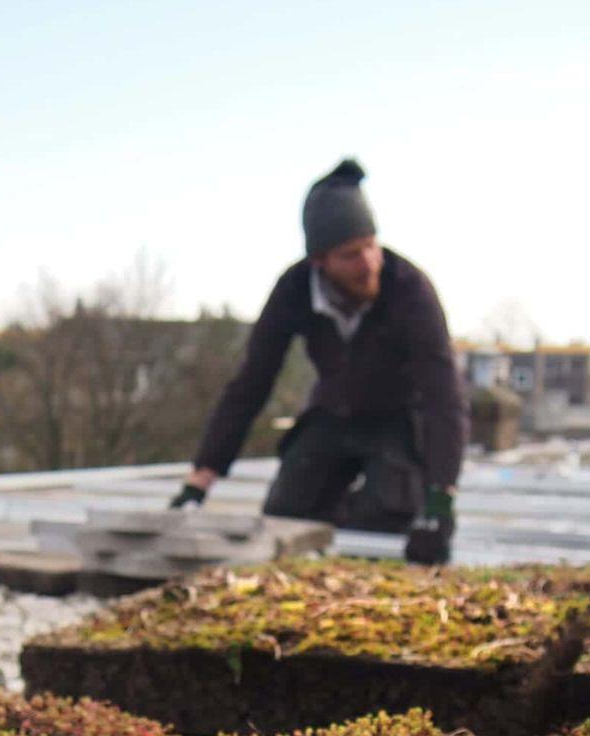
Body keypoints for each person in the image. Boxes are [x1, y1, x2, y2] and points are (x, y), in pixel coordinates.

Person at [170, 159, 467, 566]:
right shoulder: (293, 291)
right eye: (351, 255)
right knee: (283, 517)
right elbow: (251, 384)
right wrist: (201, 479)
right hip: (333, 412)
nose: (368, 264)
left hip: (398, 418)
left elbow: (442, 395)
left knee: (386, 516)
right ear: (320, 262)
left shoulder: (410, 290)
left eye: (370, 245)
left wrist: (441, 497)